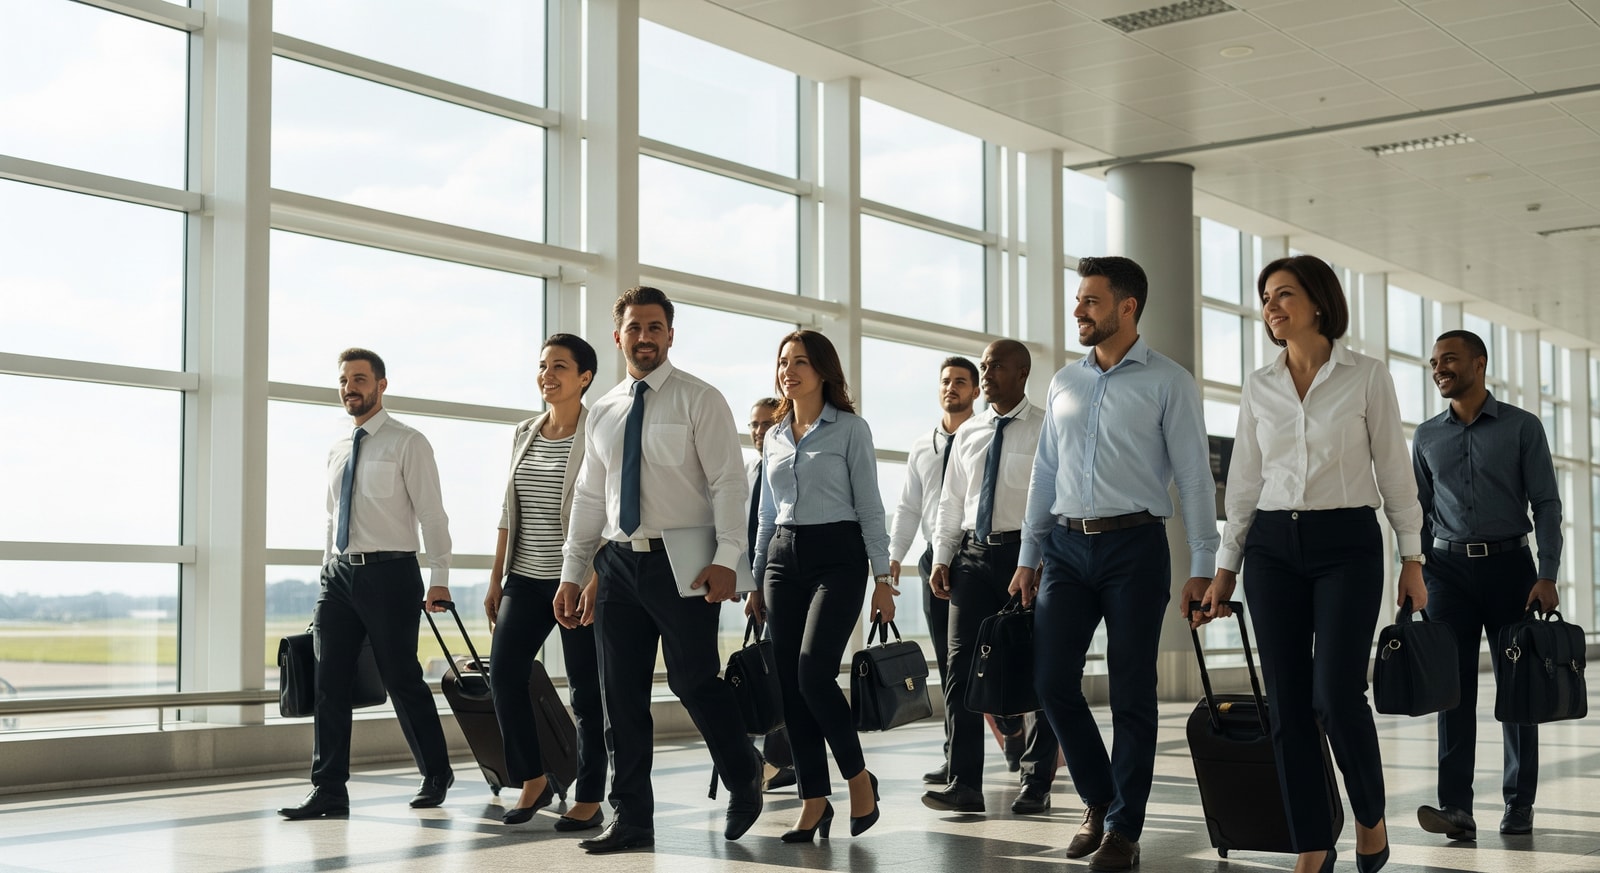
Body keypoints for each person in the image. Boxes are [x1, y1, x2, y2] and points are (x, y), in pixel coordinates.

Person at [1195, 254, 1427, 873]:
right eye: (1266, 296)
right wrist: (1224, 569)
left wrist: (1412, 557)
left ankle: (1370, 817)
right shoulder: (1258, 384)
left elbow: (1395, 474)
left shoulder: (1367, 377)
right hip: (1272, 547)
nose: (1271, 306)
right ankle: (1311, 843)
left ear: (1319, 303)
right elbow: (1243, 482)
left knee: (1336, 695)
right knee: (1288, 705)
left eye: (1284, 294)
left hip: (1347, 543)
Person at [1009, 256, 1218, 873]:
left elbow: (1193, 479)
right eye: (1079, 300)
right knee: (1050, 683)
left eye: (1091, 301)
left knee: (1131, 692)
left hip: (1136, 548)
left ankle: (1124, 829)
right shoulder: (1064, 383)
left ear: (1127, 308)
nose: (1079, 310)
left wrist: (1203, 562)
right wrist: (1029, 554)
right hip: (1067, 549)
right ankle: (1100, 800)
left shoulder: (1169, 381)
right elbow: (1045, 472)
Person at [556, 286, 763, 854]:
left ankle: (744, 770)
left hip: (686, 564)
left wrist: (727, 560)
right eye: (634, 328)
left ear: (670, 335)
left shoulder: (700, 399)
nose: (643, 337)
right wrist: (573, 571)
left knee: (693, 680)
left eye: (654, 327)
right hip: (618, 564)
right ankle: (633, 818)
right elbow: (591, 499)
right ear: (618, 335)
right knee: (619, 696)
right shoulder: (603, 410)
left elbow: (727, 482)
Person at [279, 348, 455, 820]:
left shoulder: (408, 442)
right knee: (328, 683)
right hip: (338, 578)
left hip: (391, 573)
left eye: (359, 379)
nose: (349, 388)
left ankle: (436, 772)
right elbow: (332, 516)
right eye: (344, 380)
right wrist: (325, 571)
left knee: (401, 678)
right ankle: (329, 790)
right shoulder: (337, 448)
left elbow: (432, 515)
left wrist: (439, 577)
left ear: (381, 385)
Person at [1412, 329, 1563, 841]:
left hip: (1511, 571)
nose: (1439, 368)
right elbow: (1420, 510)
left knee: (1518, 689)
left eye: (1449, 359)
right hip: (1446, 573)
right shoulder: (1426, 435)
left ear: (1480, 364)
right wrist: (1414, 567)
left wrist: (1547, 573)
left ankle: (1519, 803)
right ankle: (1457, 807)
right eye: (1434, 362)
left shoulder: (1522, 427)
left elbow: (1546, 503)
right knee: (1450, 692)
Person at [747, 329, 893, 843]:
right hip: (784, 559)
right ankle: (813, 800)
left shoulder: (851, 429)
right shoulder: (775, 437)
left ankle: (858, 779)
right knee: (789, 685)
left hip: (840, 558)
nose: (789, 370)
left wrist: (882, 578)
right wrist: (756, 578)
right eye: (783, 361)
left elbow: (871, 506)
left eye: (801, 361)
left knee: (813, 674)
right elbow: (766, 514)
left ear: (823, 370)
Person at [925, 340, 1060, 816]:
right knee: (961, 667)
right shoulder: (971, 432)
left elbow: (1057, 500)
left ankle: (1037, 779)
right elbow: (951, 502)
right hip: (973, 558)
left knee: (1042, 669)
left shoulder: (1047, 427)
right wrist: (943, 557)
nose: (986, 373)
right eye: (983, 366)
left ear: (1022, 373)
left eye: (996, 366)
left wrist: (1043, 560)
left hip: (1029, 557)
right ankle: (964, 782)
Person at [482, 334, 607, 830]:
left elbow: (607, 510)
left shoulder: (598, 432)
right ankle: (532, 777)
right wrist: (496, 577)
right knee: (504, 675)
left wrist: (594, 577)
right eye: (542, 366)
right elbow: (508, 510)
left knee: (585, 693)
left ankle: (591, 795)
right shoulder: (525, 432)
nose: (547, 375)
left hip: (575, 581)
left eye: (560, 366)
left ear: (585, 377)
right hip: (526, 579)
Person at [888, 355, 982, 786]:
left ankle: (1018, 734)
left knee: (999, 657)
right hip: (934, 562)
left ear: (976, 391)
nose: (952, 388)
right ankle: (955, 755)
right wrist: (894, 555)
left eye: (961, 382)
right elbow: (908, 506)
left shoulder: (984, 437)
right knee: (949, 665)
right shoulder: (922, 445)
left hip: (979, 556)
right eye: (946, 381)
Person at [747, 397, 796, 793]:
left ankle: (781, 759)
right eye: (753, 425)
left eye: (766, 424)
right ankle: (781, 759)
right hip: (754, 582)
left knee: (779, 670)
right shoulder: (748, 472)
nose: (759, 431)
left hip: (781, 578)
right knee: (763, 670)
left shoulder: (785, 470)